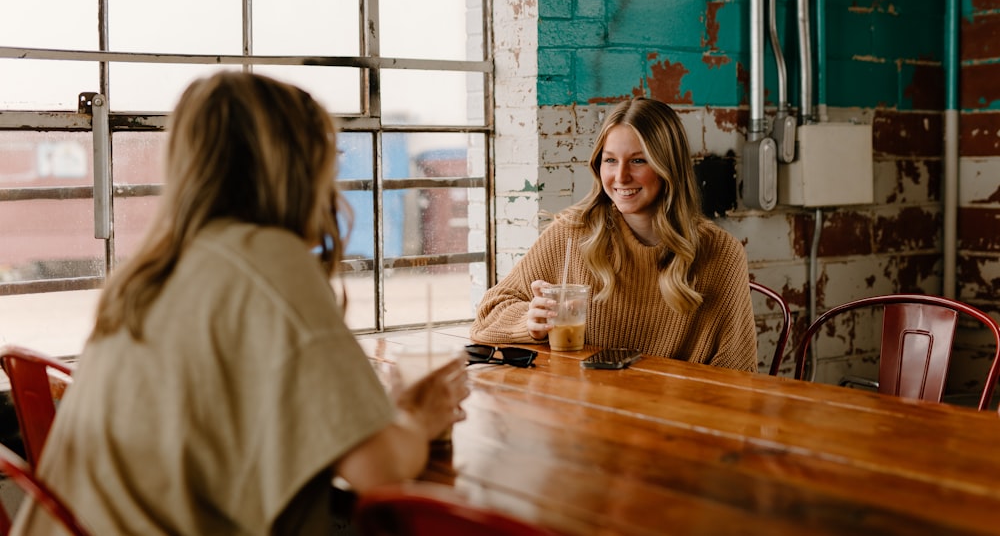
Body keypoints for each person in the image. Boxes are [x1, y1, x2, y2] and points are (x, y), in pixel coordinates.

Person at [12, 71, 470, 535]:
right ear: (298, 166)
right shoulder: (270, 261)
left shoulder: (154, 269)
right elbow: (380, 469)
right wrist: (419, 416)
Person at [471, 97, 758, 372]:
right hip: (582, 410)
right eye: (610, 160)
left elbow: (740, 374)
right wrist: (529, 322)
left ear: (668, 167)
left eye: (638, 161)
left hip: (675, 415)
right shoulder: (571, 234)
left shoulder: (721, 252)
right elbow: (485, 318)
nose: (620, 177)